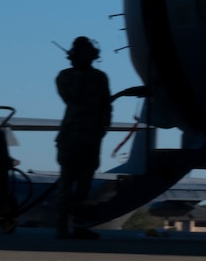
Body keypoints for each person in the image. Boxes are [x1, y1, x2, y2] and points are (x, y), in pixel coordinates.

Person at [52, 37, 142, 240]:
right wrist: (81, 74)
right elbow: (72, 98)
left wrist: (103, 127)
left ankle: (80, 224)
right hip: (71, 136)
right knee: (67, 181)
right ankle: (62, 225)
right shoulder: (66, 76)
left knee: (84, 183)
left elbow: (105, 104)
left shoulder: (100, 77)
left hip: (92, 136)